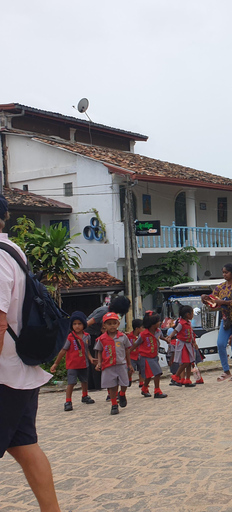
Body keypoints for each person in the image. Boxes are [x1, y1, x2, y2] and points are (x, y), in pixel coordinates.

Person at [0, 193, 62, 512]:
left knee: (24, 446)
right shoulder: (13, 251)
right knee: (24, 446)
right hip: (22, 370)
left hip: (4, 374)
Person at [202, 263, 232, 382]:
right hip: (226, 320)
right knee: (221, 344)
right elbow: (213, 299)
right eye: (223, 272)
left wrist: (223, 302)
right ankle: (226, 371)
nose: (224, 275)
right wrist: (205, 298)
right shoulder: (220, 287)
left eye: (226, 272)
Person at [50, 312, 97, 411]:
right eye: (74, 324)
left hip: (84, 363)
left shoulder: (87, 336)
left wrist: (90, 358)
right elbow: (63, 350)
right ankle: (68, 401)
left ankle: (85, 396)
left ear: (84, 324)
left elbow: (86, 349)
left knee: (85, 381)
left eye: (79, 324)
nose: (77, 326)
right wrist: (56, 363)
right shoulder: (70, 337)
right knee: (71, 383)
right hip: (72, 364)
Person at [85, 295, 131, 391]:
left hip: (98, 334)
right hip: (91, 335)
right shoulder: (104, 311)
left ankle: (96, 385)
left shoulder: (111, 313)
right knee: (96, 359)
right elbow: (88, 323)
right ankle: (96, 385)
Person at [94, 313, 134, 414]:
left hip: (121, 364)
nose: (112, 326)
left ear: (118, 324)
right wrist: (99, 363)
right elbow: (99, 351)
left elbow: (127, 350)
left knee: (125, 383)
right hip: (108, 365)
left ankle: (122, 393)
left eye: (114, 323)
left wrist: (129, 364)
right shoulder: (102, 339)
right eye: (109, 323)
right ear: (104, 325)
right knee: (112, 386)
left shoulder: (123, 337)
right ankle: (114, 404)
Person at [132, 313, 168, 399]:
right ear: (152, 324)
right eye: (158, 321)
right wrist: (129, 351)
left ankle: (144, 388)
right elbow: (136, 344)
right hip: (146, 357)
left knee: (149, 375)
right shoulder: (143, 334)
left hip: (154, 356)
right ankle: (157, 391)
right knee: (158, 372)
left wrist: (166, 340)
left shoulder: (158, 331)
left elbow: (161, 337)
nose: (159, 322)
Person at [170, 306, 199, 388]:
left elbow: (191, 334)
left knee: (190, 361)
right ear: (187, 314)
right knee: (185, 362)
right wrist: (169, 336)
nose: (193, 315)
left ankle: (187, 380)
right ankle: (176, 376)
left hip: (189, 344)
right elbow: (175, 331)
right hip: (182, 344)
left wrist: (194, 343)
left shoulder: (189, 323)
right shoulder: (181, 323)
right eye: (192, 314)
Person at [126, 319, 143, 389]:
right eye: (142, 327)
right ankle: (129, 378)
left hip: (140, 355)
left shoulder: (142, 336)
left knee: (142, 369)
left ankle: (141, 383)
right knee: (130, 370)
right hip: (131, 356)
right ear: (137, 328)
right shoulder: (128, 336)